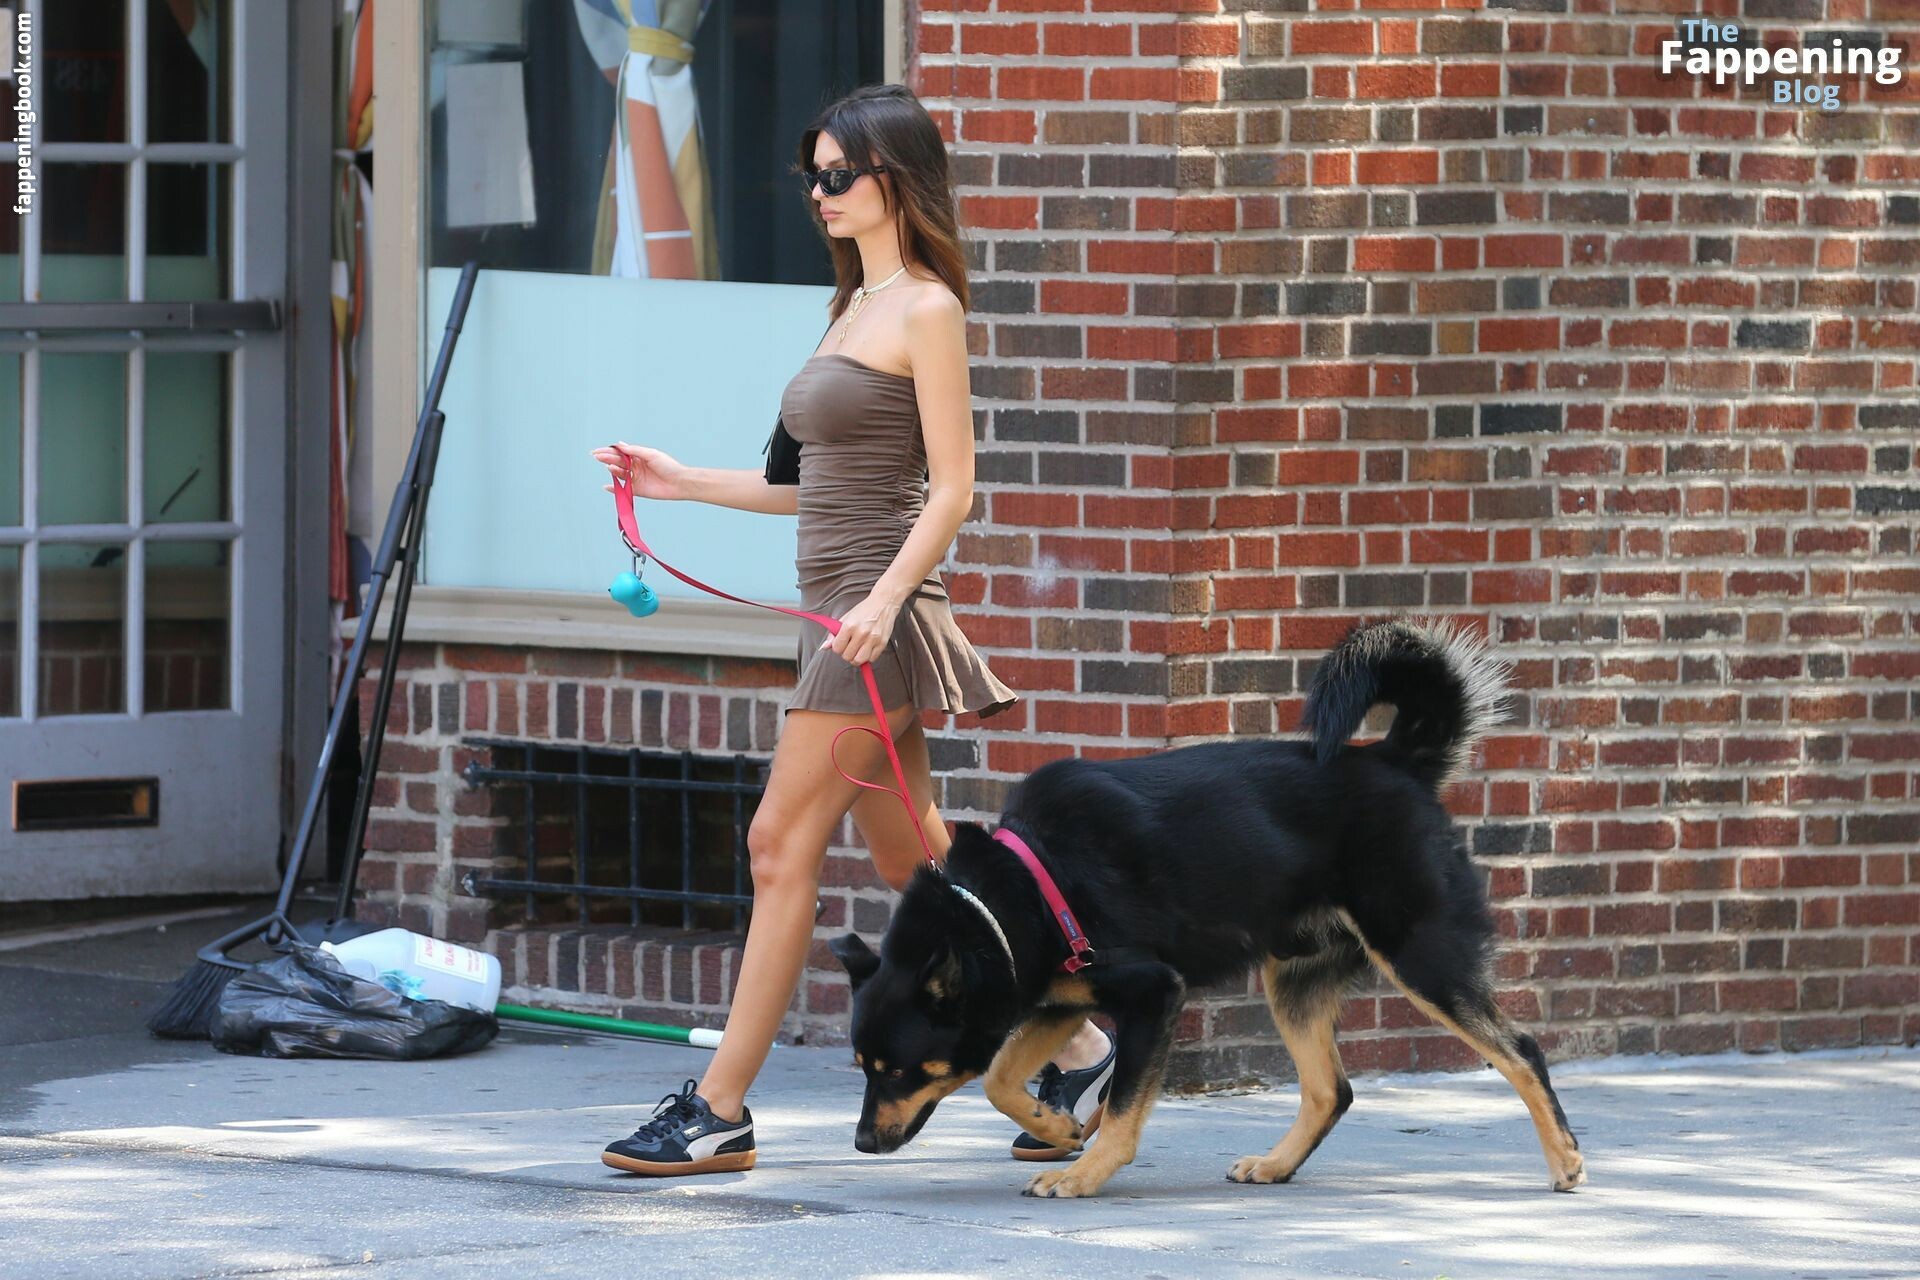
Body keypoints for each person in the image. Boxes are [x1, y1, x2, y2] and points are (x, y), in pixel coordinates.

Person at [588, 83, 1113, 1176]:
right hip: (835, 611)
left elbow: (953, 487)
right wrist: (679, 481)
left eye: (838, 175)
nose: (819, 194)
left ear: (895, 179)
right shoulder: (849, 307)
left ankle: (719, 1107)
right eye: (812, 177)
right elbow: (811, 489)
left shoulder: (926, 308)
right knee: (911, 855)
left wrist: (881, 601)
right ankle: (1085, 1048)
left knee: (777, 844)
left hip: (876, 620)